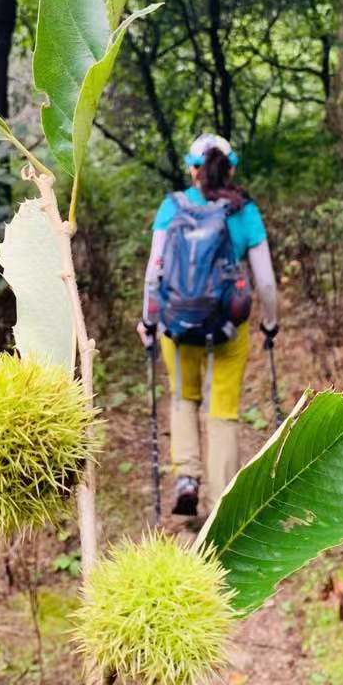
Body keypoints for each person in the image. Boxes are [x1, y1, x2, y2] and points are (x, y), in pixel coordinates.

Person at [137, 133, 279, 517]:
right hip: (229, 326)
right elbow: (264, 281)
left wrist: (148, 321)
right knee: (223, 411)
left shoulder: (172, 207)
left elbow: (155, 273)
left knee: (184, 397)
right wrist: (270, 323)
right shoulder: (244, 211)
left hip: (177, 324)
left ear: (191, 169)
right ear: (231, 167)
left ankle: (187, 476)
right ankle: (223, 504)